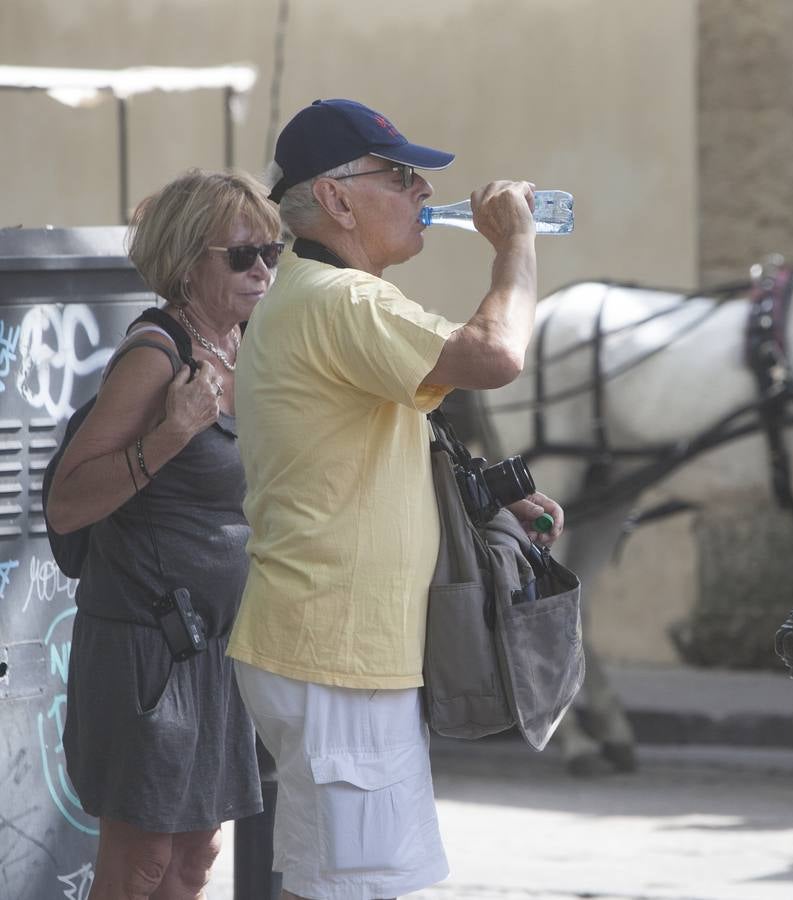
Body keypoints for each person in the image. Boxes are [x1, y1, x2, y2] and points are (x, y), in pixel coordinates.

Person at [226, 98, 564, 900]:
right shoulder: (343, 300)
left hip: (330, 649)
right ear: (337, 199)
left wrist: (488, 500)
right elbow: (496, 353)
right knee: (359, 888)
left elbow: (368, 446)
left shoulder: (322, 294)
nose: (421, 190)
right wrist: (516, 245)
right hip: (337, 652)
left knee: (335, 883)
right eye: (399, 174)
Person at [51, 168, 282, 898]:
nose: (262, 271)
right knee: (142, 858)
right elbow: (66, 503)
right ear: (189, 262)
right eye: (242, 255)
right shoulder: (156, 355)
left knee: (194, 858)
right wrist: (172, 435)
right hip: (148, 646)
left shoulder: (249, 346)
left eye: (272, 253)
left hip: (217, 644)